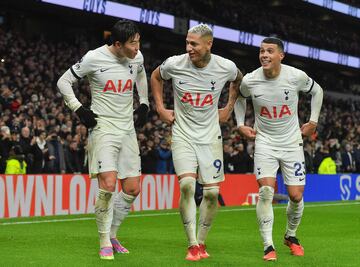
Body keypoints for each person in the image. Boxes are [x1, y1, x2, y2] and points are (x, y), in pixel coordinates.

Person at [57, 19, 149, 260]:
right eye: (132, 43)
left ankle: (114, 234)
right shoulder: (93, 58)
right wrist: (78, 109)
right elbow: (63, 82)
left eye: (138, 41)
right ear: (117, 44)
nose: (137, 48)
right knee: (108, 184)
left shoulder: (136, 58)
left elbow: (141, 74)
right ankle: (104, 240)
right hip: (103, 127)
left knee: (132, 188)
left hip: (127, 128)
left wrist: (144, 102)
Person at [151, 24, 242, 261]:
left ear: (209, 44)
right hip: (182, 134)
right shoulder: (174, 64)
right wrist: (160, 108)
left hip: (210, 136)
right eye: (187, 42)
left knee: (212, 194)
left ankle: (202, 241)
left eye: (194, 44)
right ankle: (191, 244)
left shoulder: (225, 67)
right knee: (187, 187)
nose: (188, 48)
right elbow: (155, 76)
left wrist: (228, 108)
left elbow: (238, 81)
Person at [234, 37, 323, 261]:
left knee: (296, 195)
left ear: (281, 55)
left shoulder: (295, 76)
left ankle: (290, 236)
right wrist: (240, 124)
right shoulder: (250, 80)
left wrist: (313, 121)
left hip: (292, 142)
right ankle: (268, 245)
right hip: (265, 142)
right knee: (266, 191)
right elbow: (239, 98)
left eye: (270, 51)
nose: (264, 55)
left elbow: (318, 91)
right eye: (262, 51)